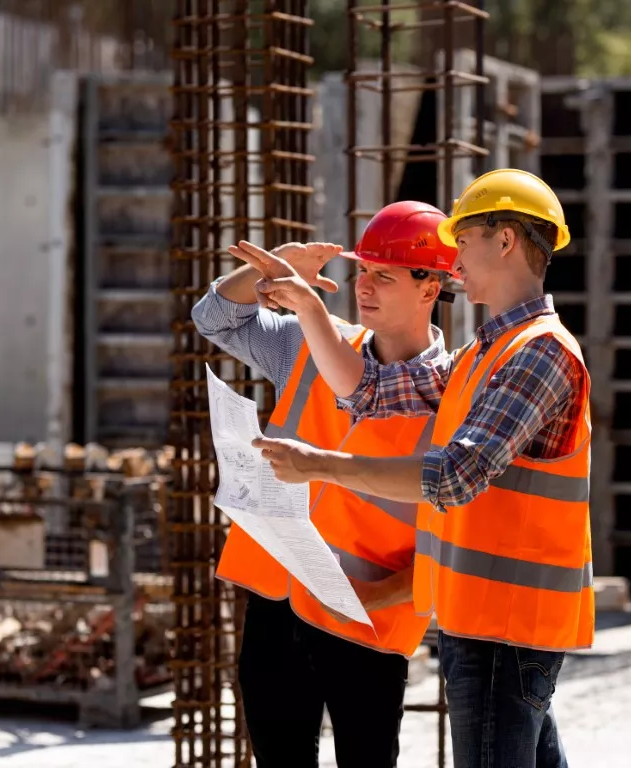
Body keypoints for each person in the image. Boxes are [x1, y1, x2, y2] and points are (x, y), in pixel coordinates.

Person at [234, 169, 594, 768]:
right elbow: (371, 390)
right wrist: (305, 305)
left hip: (506, 624)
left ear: (504, 241)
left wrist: (320, 465)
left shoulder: (539, 351)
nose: (454, 259)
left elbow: (453, 475)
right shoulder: (481, 353)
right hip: (476, 617)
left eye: (465, 240)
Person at [191, 201, 460, 768]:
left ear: (429, 288)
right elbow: (215, 319)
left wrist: (379, 596)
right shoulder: (314, 342)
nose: (365, 286)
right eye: (363, 271)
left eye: (384, 275)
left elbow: (458, 530)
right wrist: (271, 269)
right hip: (277, 600)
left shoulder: (456, 394)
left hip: (369, 618)